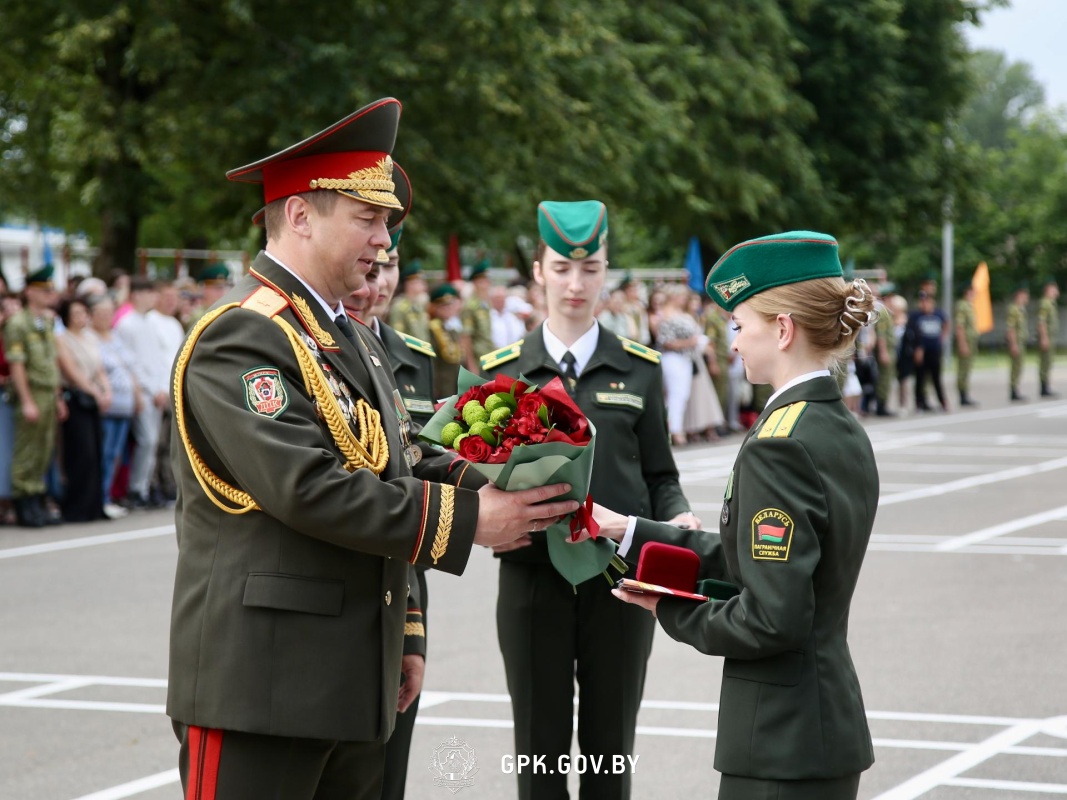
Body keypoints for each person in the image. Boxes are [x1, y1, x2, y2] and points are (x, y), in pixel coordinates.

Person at [167, 98, 579, 800]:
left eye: (386, 222)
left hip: (353, 674)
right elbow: (310, 487)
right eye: (368, 218)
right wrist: (475, 521)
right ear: (299, 215)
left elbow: (399, 458)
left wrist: (511, 482)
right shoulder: (243, 336)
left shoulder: (347, 334)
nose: (384, 241)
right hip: (262, 690)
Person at [596, 230, 879, 800]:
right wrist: (628, 530)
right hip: (814, 728)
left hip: (781, 740)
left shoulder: (782, 442)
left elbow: (773, 617)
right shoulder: (837, 424)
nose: (733, 344)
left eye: (739, 325)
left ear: (782, 328)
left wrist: (671, 611)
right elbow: (757, 561)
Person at [482, 199, 699, 800]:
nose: (575, 284)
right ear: (538, 271)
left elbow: (660, 471)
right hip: (532, 580)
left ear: (606, 272)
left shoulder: (640, 369)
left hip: (620, 583)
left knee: (610, 751)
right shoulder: (501, 373)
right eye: (561, 268)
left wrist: (676, 515)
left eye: (591, 268)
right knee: (539, 754)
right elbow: (473, 476)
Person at [3, 265, 67, 527]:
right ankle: (24, 503)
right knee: (27, 450)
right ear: (29, 292)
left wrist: (58, 397)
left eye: (51, 290)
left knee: (44, 450)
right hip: (31, 392)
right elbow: (17, 365)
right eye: (44, 290)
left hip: (48, 392)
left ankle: (36, 498)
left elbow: (51, 362)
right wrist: (27, 400)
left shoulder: (48, 321)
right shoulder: (18, 323)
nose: (49, 294)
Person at [115, 277, 170, 508]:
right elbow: (131, 363)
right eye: (149, 293)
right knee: (146, 440)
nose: (153, 298)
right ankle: (136, 488)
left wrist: (161, 388)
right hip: (142, 391)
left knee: (153, 441)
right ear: (136, 294)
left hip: (155, 390)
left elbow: (156, 360)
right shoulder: (126, 324)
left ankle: (145, 487)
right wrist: (149, 388)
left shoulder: (148, 322)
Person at [55, 297, 109, 522]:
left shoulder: (90, 338)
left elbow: (99, 369)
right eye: (75, 313)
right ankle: (77, 507)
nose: (80, 317)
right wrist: (94, 392)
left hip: (93, 400)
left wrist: (106, 391)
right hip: (76, 399)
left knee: (96, 452)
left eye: (83, 312)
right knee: (81, 453)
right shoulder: (61, 339)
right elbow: (71, 371)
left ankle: (95, 506)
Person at [86, 293, 137, 518]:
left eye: (109, 313)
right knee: (104, 453)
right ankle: (100, 498)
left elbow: (129, 366)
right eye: (101, 313)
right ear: (92, 315)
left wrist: (137, 394)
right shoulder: (90, 338)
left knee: (116, 454)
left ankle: (107, 495)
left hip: (124, 405)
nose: (106, 317)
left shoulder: (115, 336)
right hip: (107, 405)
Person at [655, 284, 702, 446]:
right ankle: (674, 431)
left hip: (686, 358)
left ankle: (675, 428)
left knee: (683, 395)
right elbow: (665, 341)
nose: (684, 299)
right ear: (673, 297)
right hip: (672, 358)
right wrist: (690, 342)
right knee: (676, 394)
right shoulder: (665, 315)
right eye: (681, 296)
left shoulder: (683, 313)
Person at [907, 290, 949, 412]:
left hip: (934, 351)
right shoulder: (916, 316)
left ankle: (942, 402)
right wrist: (916, 349)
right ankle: (920, 403)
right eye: (922, 302)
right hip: (921, 351)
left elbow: (946, 323)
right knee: (920, 378)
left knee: (936, 377)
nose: (925, 304)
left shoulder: (938, 314)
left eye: (927, 302)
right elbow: (912, 334)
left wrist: (943, 337)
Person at [427, 283, 464, 401]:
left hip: (455, 382)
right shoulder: (434, 328)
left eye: (450, 305)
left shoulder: (452, 328)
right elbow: (432, 361)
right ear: (435, 307)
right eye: (443, 306)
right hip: (442, 385)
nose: (448, 309)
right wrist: (433, 386)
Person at [461, 259, 494, 370]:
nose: (486, 284)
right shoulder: (470, 306)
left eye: (487, 280)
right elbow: (466, 337)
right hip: (478, 358)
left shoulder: (487, 304)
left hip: (491, 354)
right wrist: (471, 365)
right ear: (475, 282)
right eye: (482, 281)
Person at [388, 260, 430, 341]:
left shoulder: (418, 305)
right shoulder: (399, 307)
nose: (424, 285)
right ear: (410, 284)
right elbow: (397, 337)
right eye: (420, 282)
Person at [954, 283, 979, 406]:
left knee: (967, 368)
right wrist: (962, 344)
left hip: (971, 343)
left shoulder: (970, 306)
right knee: (963, 369)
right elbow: (959, 326)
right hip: (966, 343)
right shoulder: (963, 306)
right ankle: (962, 395)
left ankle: (965, 393)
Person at [1006, 284, 1030, 402]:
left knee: (1019, 367)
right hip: (1017, 343)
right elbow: (1011, 328)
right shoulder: (1014, 310)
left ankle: (1016, 389)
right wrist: (1013, 344)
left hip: (1021, 342)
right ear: (1019, 295)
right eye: (1025, 295)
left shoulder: (1021, 310)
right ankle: (1013, 391)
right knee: (1015, 367)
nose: (1027, 297)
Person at [1037, 278, 1059, 398]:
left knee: (1048, 362)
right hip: (1047, 337)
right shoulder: (1045, 303)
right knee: (1045, 362)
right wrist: (1044, 338)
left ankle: (1046, 386)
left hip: (1050, 337)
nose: (1056, 291)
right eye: (1054, 288)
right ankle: (1044, 388)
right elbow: (1042, 322)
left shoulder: (1051, 303)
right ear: (1048, 289)